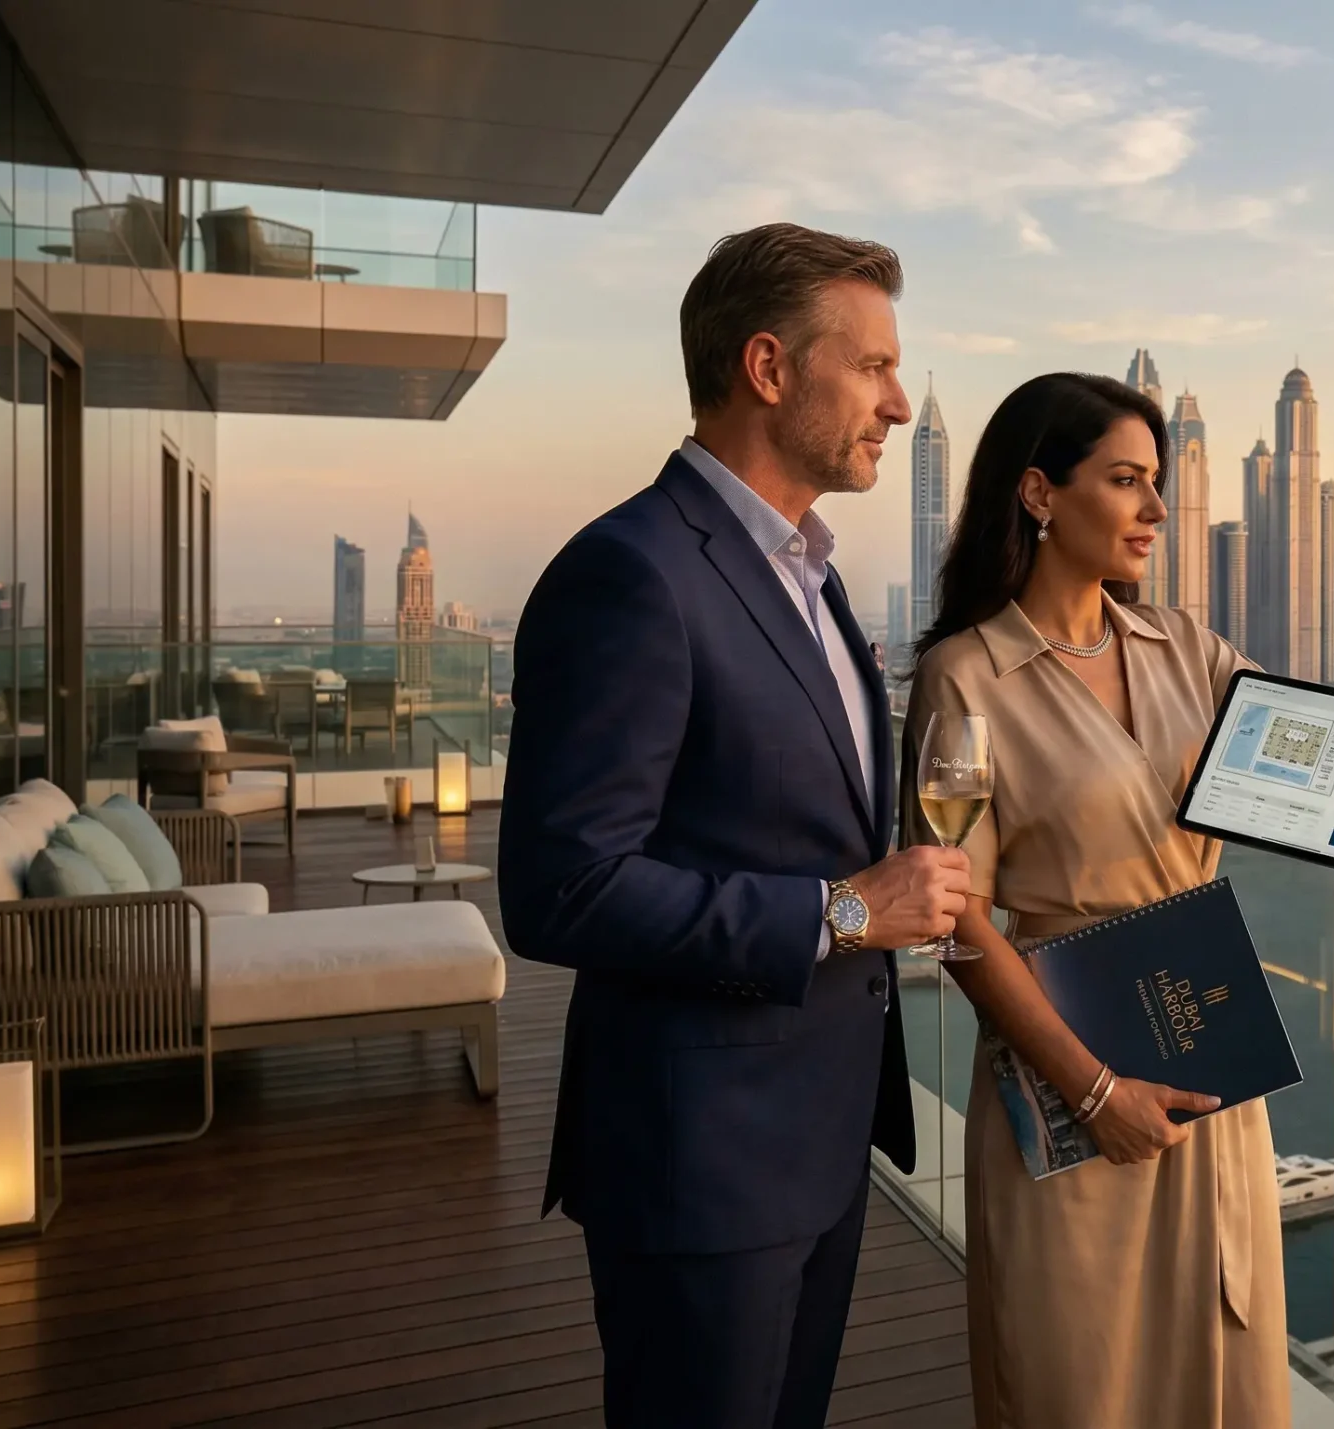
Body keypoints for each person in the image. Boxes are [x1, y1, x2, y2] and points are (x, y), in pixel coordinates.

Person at [903, 371, 1334, 1428]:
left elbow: (1319, 773)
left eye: (1159, 482)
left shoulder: (1187, 649)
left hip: (1209, 1075)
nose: (1158, 510)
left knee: (1220, 1369)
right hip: (1069, 1078)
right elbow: (958, 918)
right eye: (1125, 481)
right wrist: (1092, 1092)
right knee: (1077, 1380)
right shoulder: (967, 677)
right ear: (1039, 493)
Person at [499, 224, 974, 1428]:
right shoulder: (633, 573)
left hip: (817, 1141)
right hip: (698, 1162)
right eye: (870, 366)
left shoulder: (808, 574)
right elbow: (563, 887)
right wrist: (849, 910)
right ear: (768, 368)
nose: (900, 402)